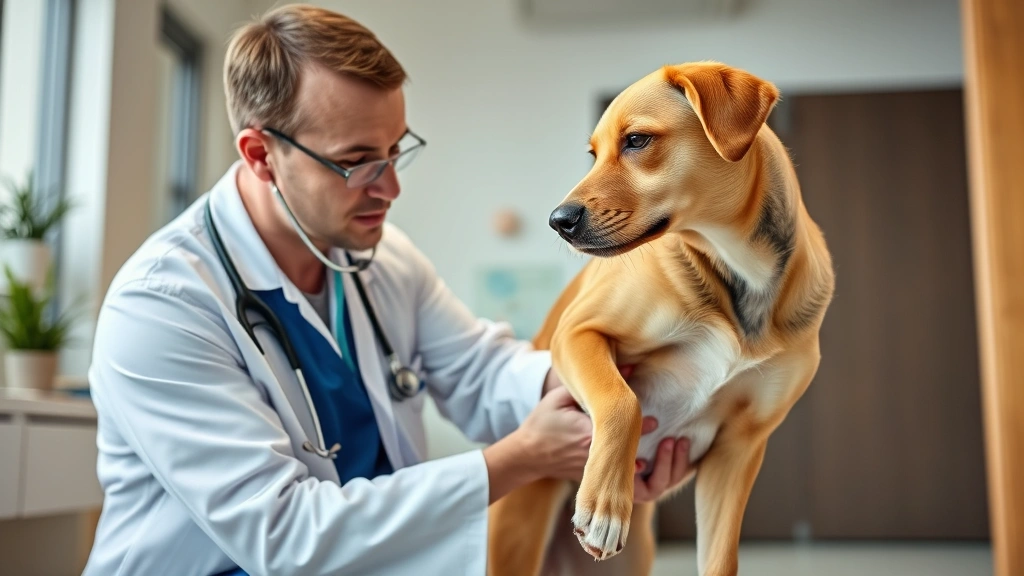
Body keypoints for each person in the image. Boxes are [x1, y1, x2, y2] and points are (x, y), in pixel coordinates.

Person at [82, 4, 691, 575]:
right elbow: (284, 535)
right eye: (357, 162)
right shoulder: (162, 307)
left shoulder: (382, 258)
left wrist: (600, 403)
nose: (390, 188)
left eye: (396, 151)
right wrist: (517, 458)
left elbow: (479, 371)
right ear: (260, 155)